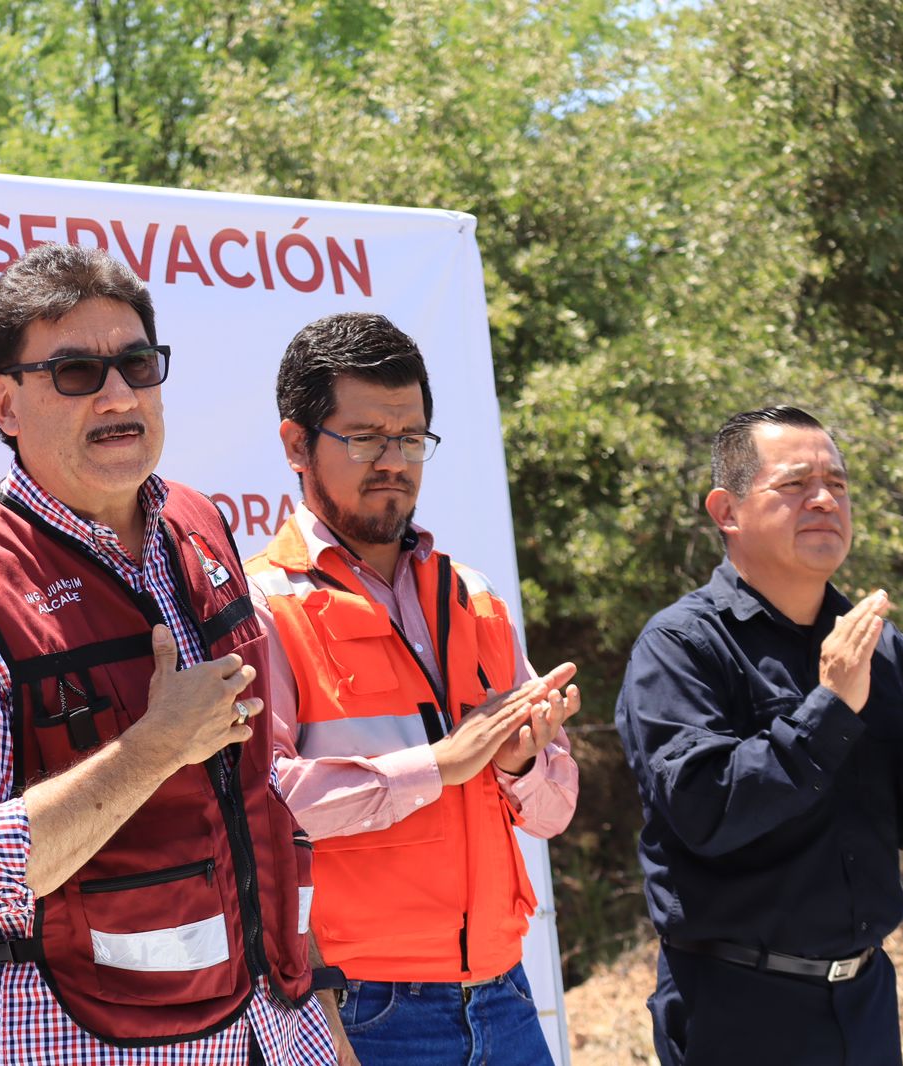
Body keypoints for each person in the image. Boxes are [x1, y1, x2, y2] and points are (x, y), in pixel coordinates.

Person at [0, 244, 336, 1064]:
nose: (118, 393)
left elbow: (254, 803)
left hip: (278, 1032)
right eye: (76, 372)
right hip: (87, 1043)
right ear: (5, 404)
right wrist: (154, 748)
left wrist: (321, 1019)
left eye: (136, 363)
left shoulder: (199, 524)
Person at [245, 312, 580, 1065]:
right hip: (363, 1007)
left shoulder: (475, 596)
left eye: (410, 438)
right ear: (297, 445)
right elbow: (258, 805)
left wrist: (521, 764)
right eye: (364, 437)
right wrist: (440, 765)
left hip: (504, 995)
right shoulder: (263, 604)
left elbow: (555, 814)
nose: (393, 460)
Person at [616, 405, 903, 1066]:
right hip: (740, 1009)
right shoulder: (682, 646)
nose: (824, 500)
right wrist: (832, 705)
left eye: (837, 485)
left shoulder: (878, 645)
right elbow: (708, 809)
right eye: (796, 485)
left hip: (865, 1002)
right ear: (727, 510)